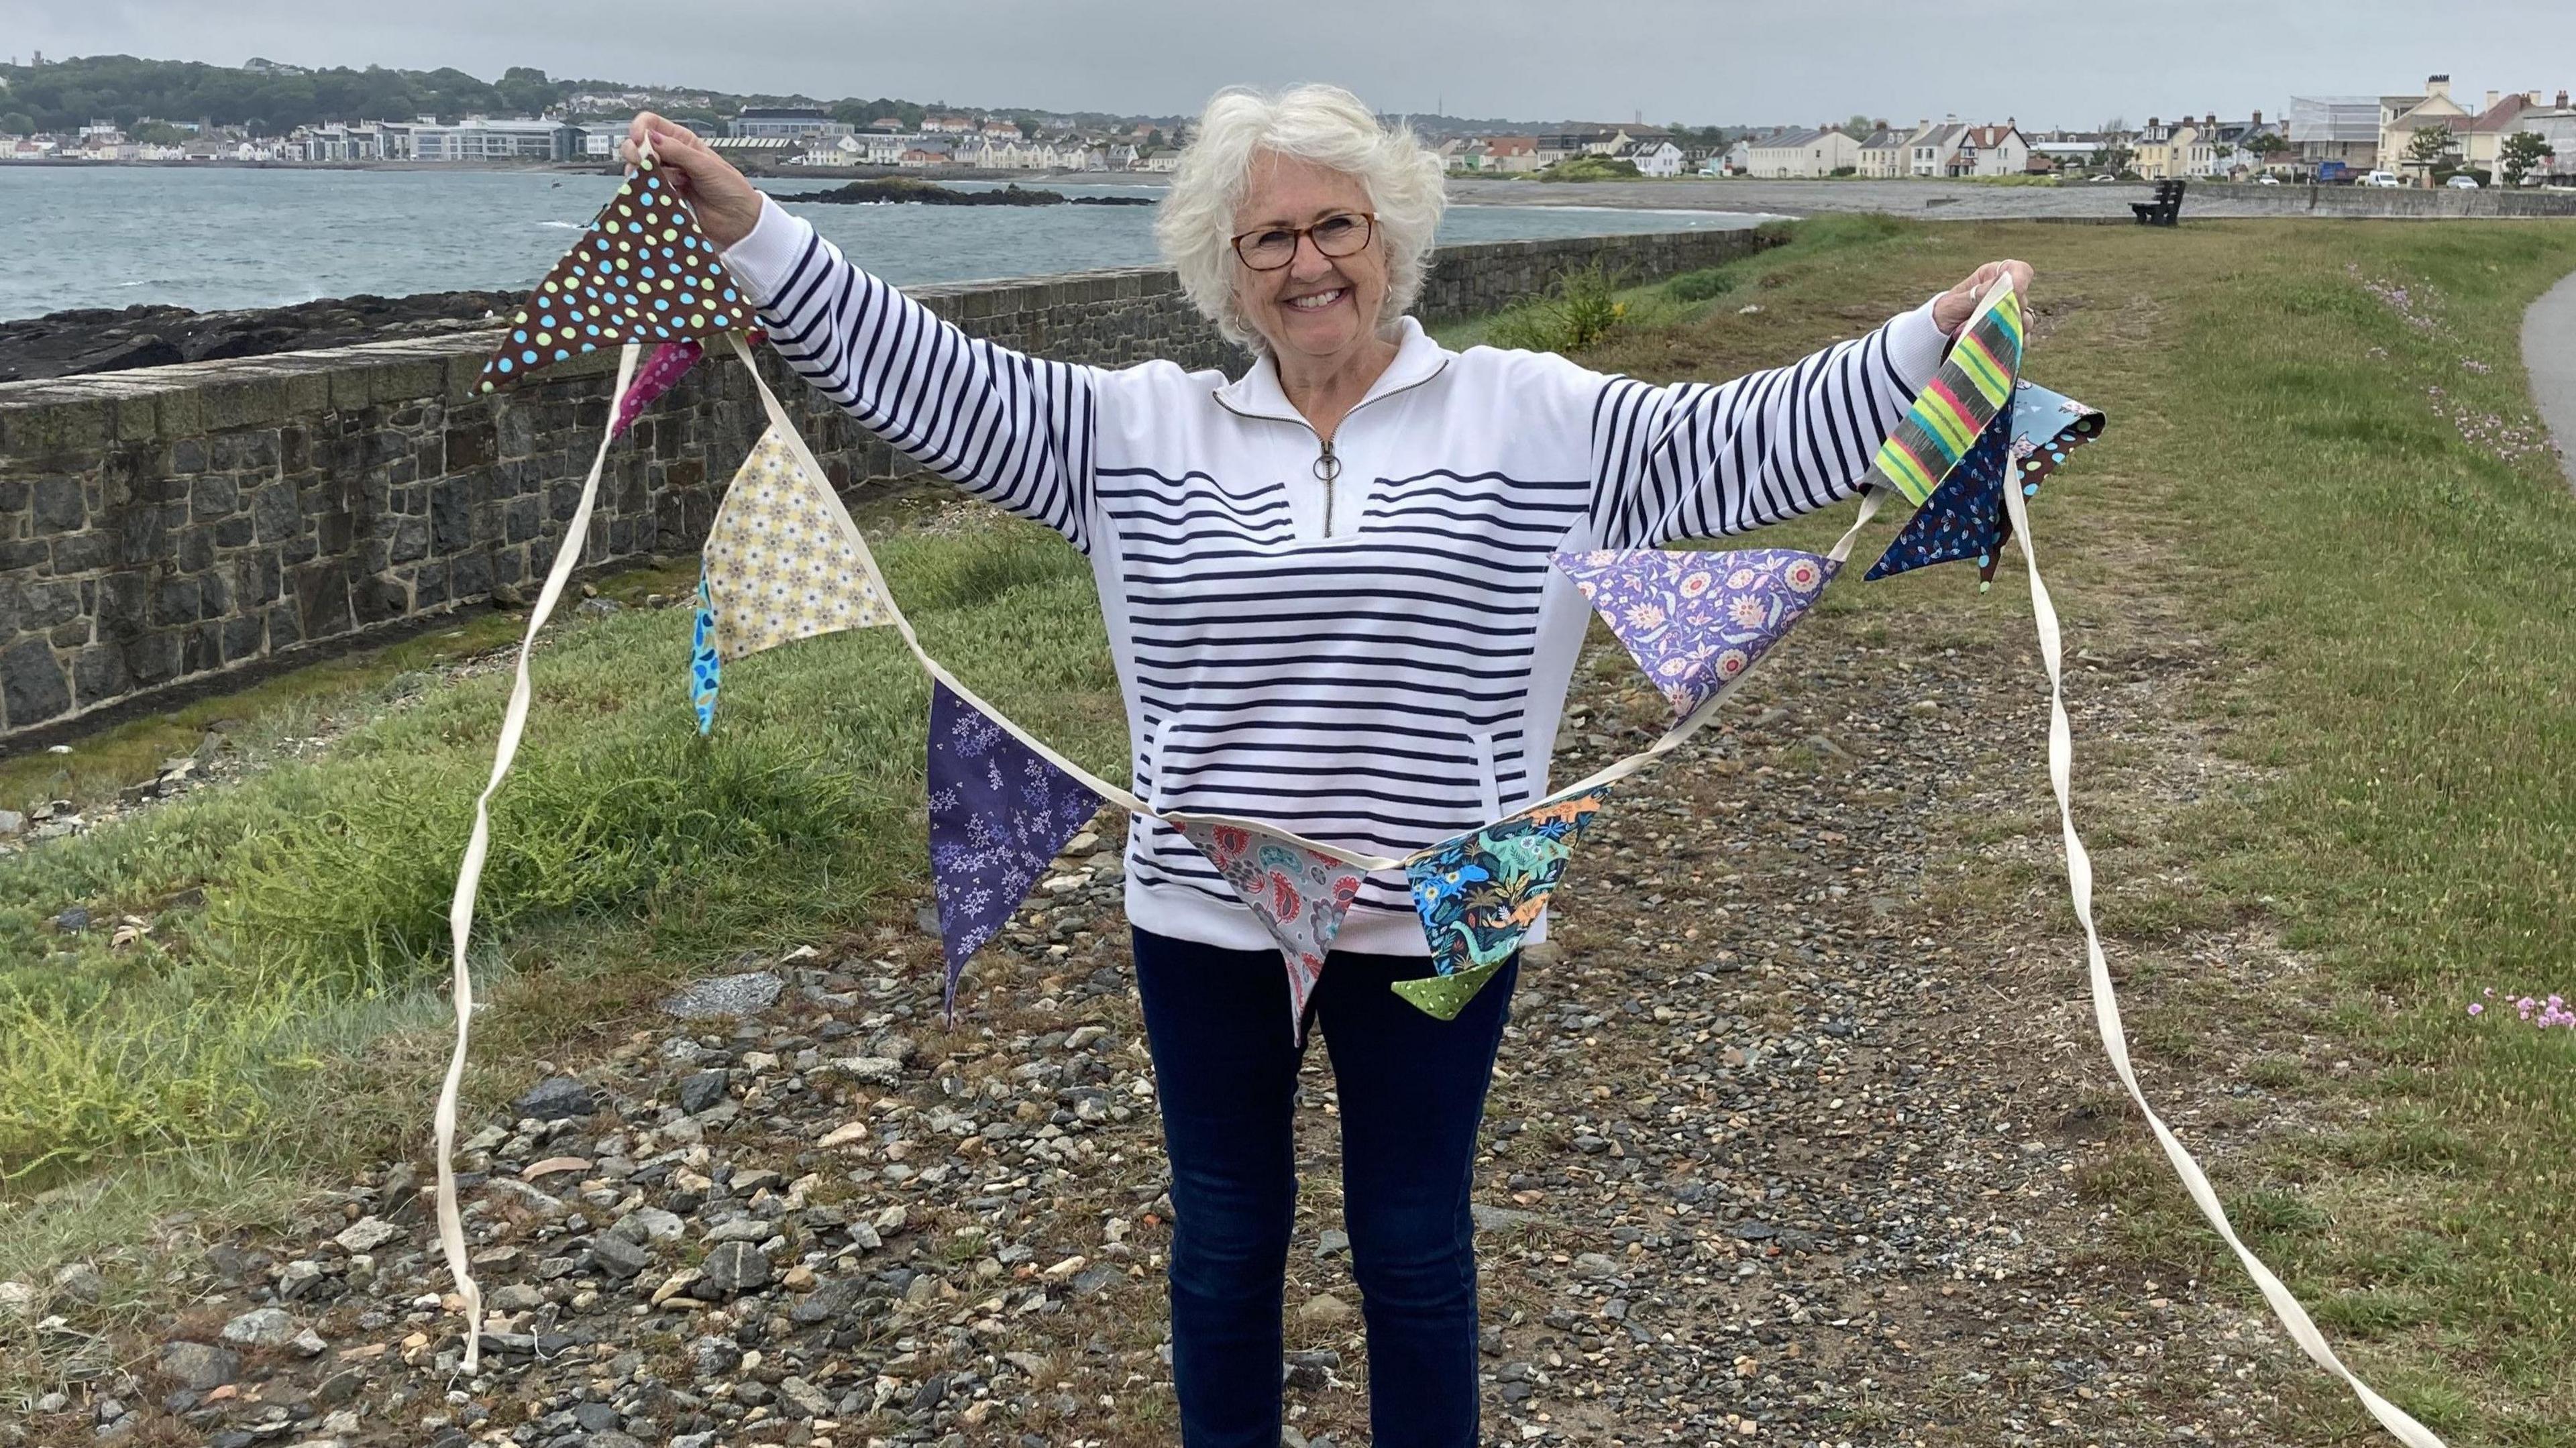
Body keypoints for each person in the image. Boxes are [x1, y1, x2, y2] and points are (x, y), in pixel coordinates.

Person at [624, 87, 2030, 1448]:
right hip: (1204, 911)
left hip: (1455, 905)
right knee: (1228, 1234)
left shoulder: (1535, 418)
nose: (1310, 264)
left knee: (1415, 1246)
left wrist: (1931, 341)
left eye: (1338, 226)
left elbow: (1747, 441)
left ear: (1393, 239)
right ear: (1229, 276)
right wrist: (754, 225)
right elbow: (917, 367)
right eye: (1271, 239)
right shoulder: (1130, 434)